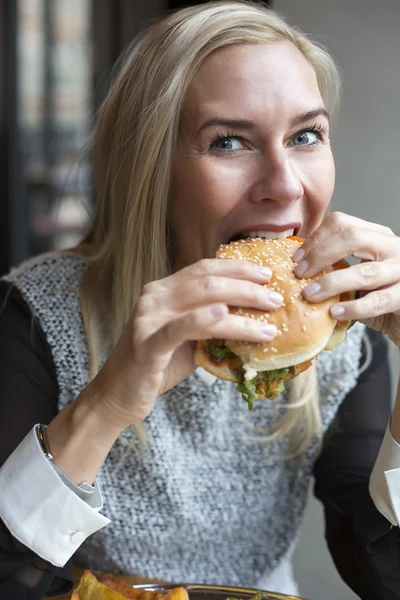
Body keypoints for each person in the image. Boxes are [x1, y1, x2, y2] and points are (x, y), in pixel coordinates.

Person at [0, 1, 399, 598]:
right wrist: (106, 405)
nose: (285, 184)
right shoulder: (35, 314)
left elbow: (383, 575)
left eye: (306, 135)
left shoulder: (344, 330)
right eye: (230, 142)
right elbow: (12, 579)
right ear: (152, 170)